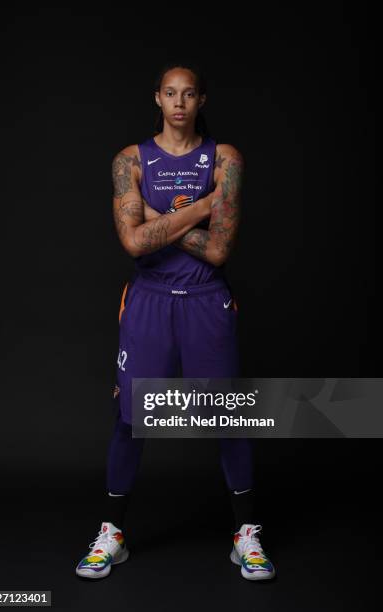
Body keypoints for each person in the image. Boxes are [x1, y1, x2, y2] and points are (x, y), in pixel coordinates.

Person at [75, 61, 276, 581]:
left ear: (201, 101)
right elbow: (132, 243)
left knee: (228, 415)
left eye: (189, 94)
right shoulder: (130, 161)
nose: (180, 103)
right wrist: (201, 207)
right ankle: (112, 534)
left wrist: (158, 221)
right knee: (131, 417)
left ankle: (246, 535)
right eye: (170, 93)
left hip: (207, 300)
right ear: (158, 99)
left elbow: (217, 249)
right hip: (149, 300)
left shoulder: (225, 159)